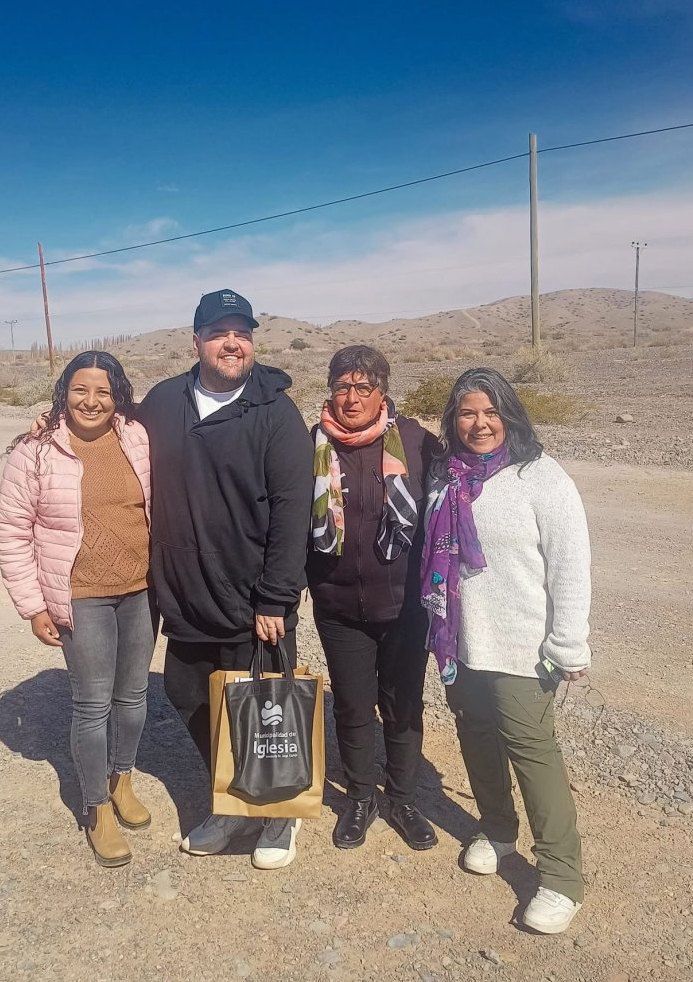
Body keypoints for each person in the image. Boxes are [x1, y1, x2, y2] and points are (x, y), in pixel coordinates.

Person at [136, 289, 313, 870]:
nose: (232, 342)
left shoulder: (275, 412)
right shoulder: (162, 403)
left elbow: (293, 511)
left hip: (252, 597)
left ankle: (279, 811)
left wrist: (278, 597)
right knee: (186, 693)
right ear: (196, 341)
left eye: (241, 332)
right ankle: (236, 800)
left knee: (264, 705)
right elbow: (111, 446)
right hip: (185, 591)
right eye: (219, 332)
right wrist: (49, 425)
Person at [422, 367, 591, 935]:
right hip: (462, 645)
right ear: (453, 420)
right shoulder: (446, 478)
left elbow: (570, 564)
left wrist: (567, 642)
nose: (479, 423)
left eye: (490, 412)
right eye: (467, 413)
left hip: (522, 648)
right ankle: (496, 829)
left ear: (509, 415)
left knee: (532, 754)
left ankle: (561, 878)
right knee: (475, 738)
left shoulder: (540, 477)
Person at [0, 352, 154, 868]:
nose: (92, 401)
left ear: (118, 396)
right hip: (78, 596)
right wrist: (32, 604)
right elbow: (12, 532)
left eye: (103, 391)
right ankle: (95, 806)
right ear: (64, 393)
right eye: (80, 390)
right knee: (93, 704)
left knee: (133, 696)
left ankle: (121, 777)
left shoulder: (136, 436)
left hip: (138, 591)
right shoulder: (36, 451)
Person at [307, 345, 438, 851]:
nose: (353, 397)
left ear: (383, 391)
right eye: (343, 387)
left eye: (364, 387)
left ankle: (403, 800)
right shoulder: (310, 446)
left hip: (405, 607)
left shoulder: (417, 443)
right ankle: (360, 797)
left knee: (402, 705)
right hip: (338, 607)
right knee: (354, 707)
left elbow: (446, 519)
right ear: (330, 391)